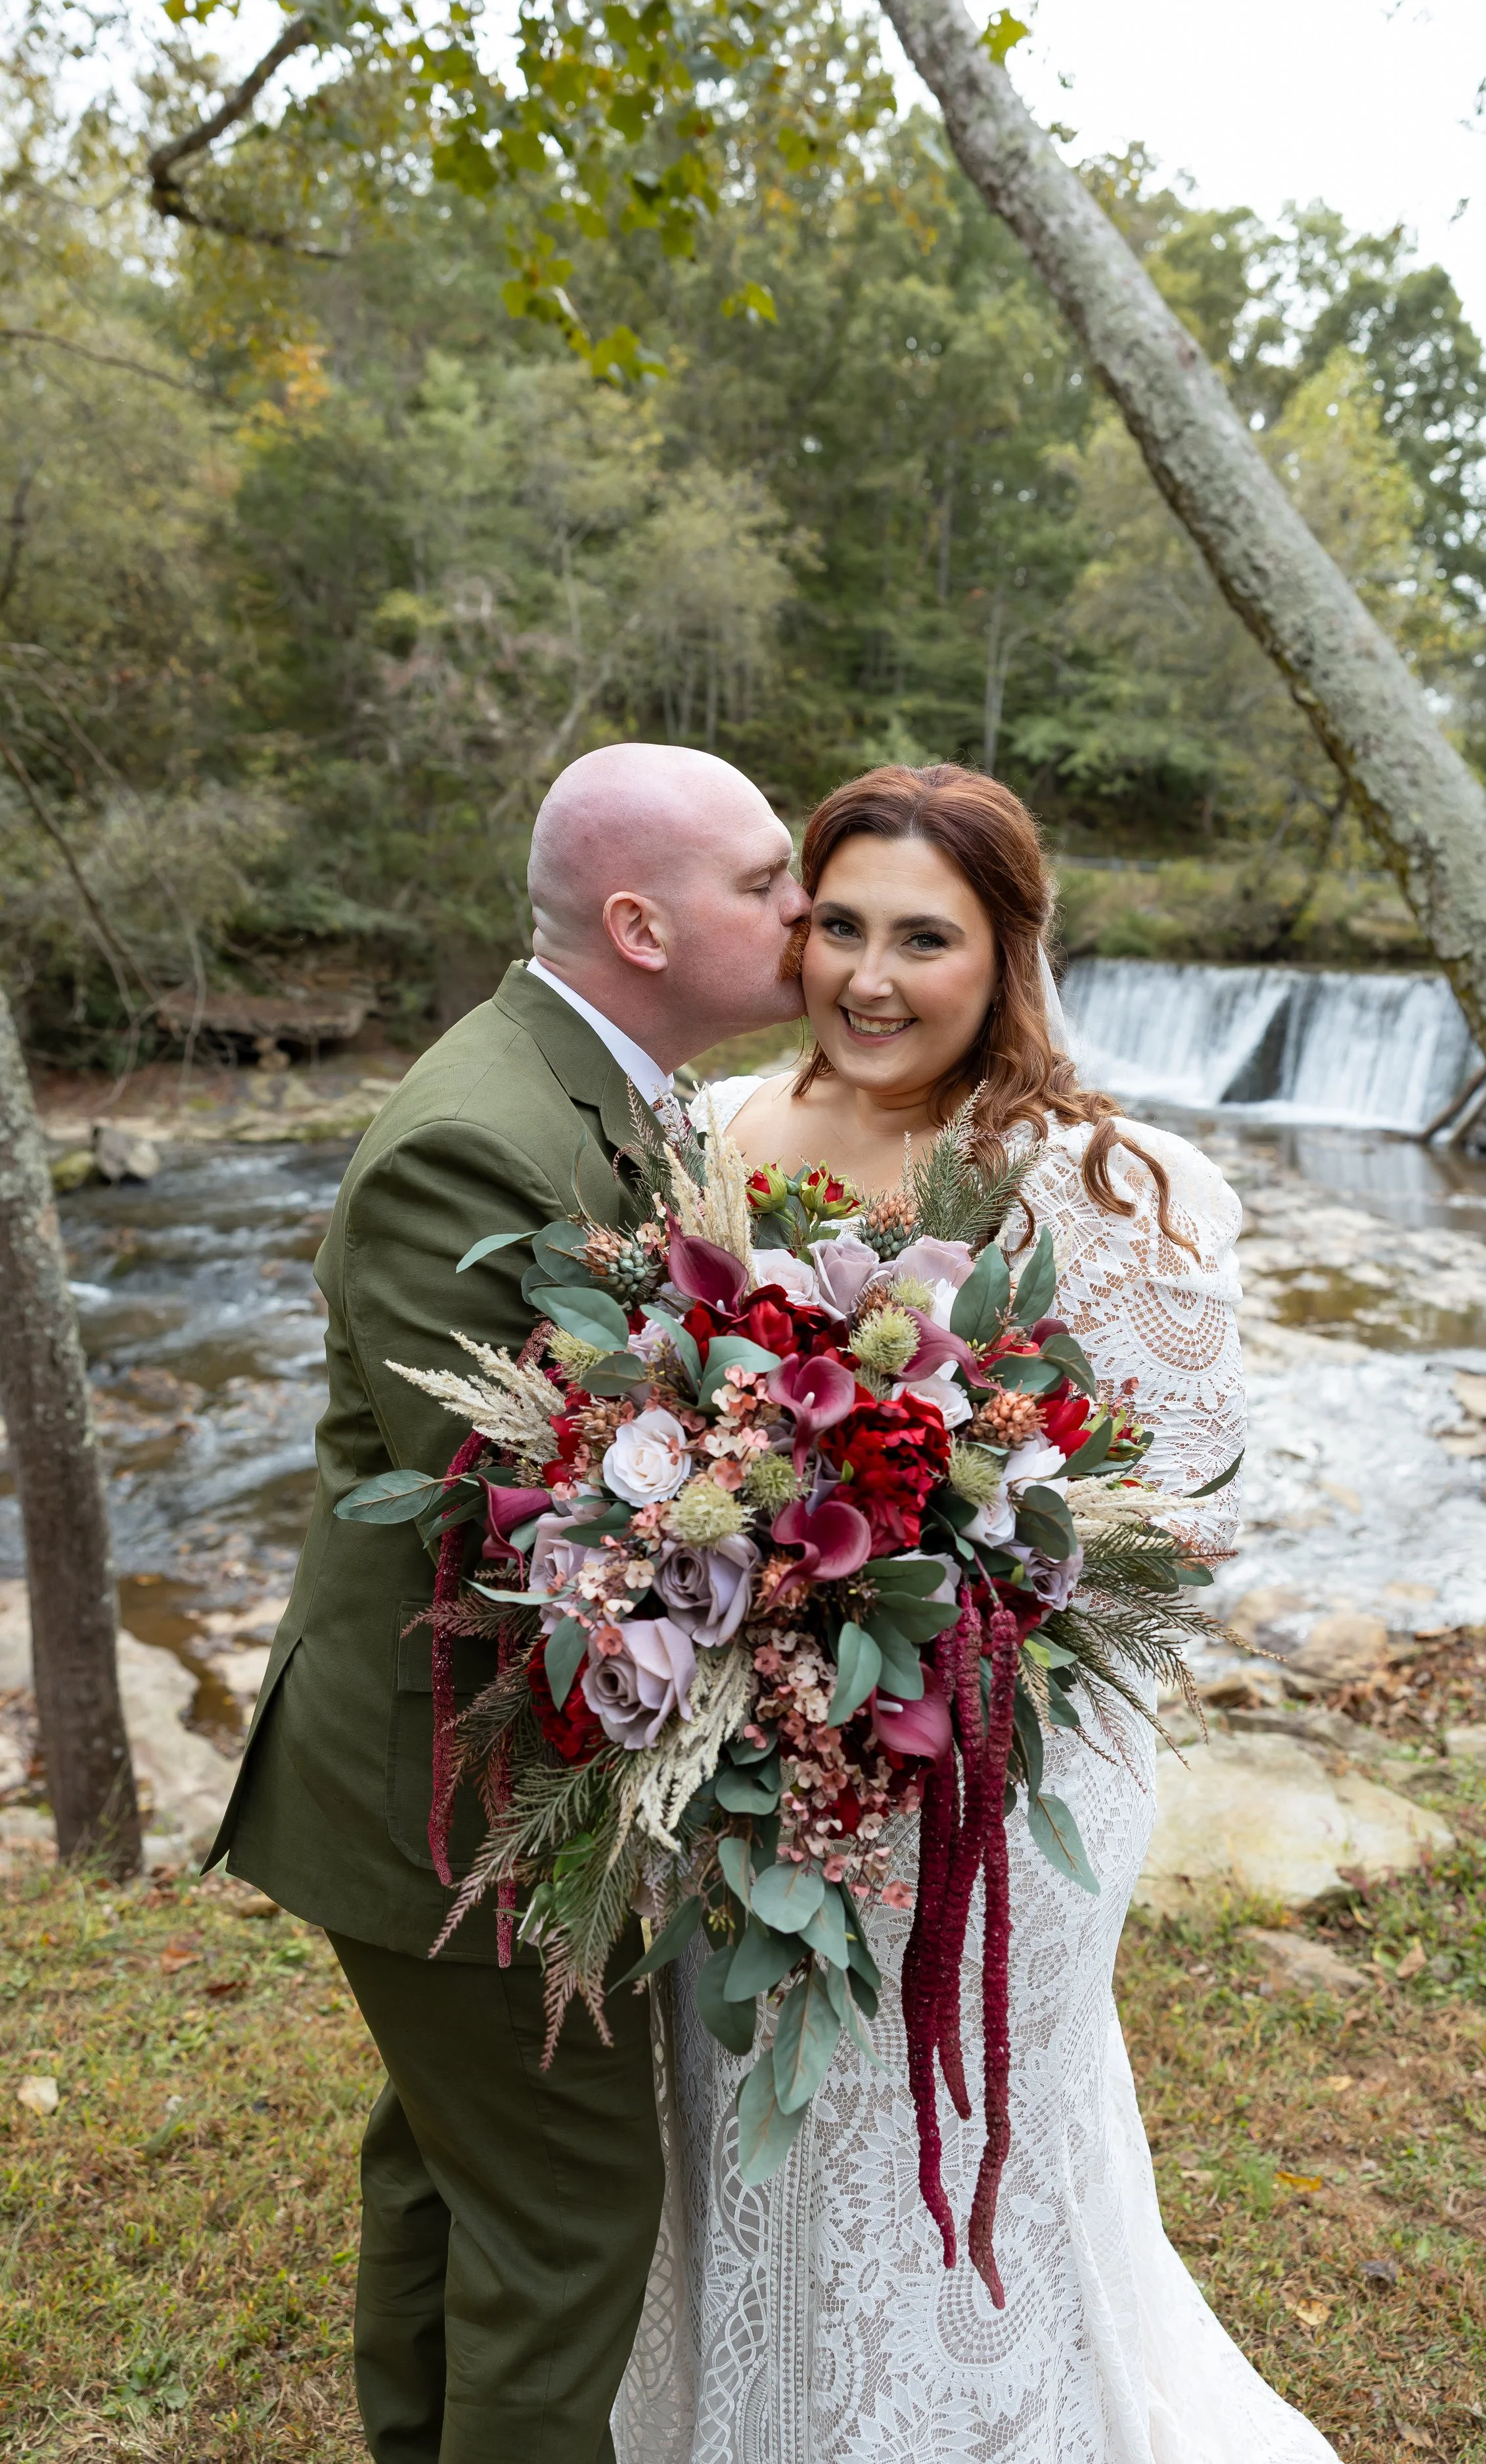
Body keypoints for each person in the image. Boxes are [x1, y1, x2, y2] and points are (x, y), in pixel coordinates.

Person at [616, 764, 1339, 2463]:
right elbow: (646, 1417)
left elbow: (1176, 1497)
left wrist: (947, 1567)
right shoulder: (712, 1135)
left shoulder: (1088, 1177)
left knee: (936, 2104)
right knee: (746, 2103)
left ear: (1005, 952)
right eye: (841, 924)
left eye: (922, 936)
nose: (870, 973)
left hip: (991, 1756)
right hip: (747, 1730)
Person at [207, 742, 811, 2464]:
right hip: (439, 1786)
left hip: (486, 1766)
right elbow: (534, 1523)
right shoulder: (473, 1141)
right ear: (639, 921)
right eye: (763, 881)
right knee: (564, 2214)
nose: (802, 906)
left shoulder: (619, 1088)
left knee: (455, 2163)